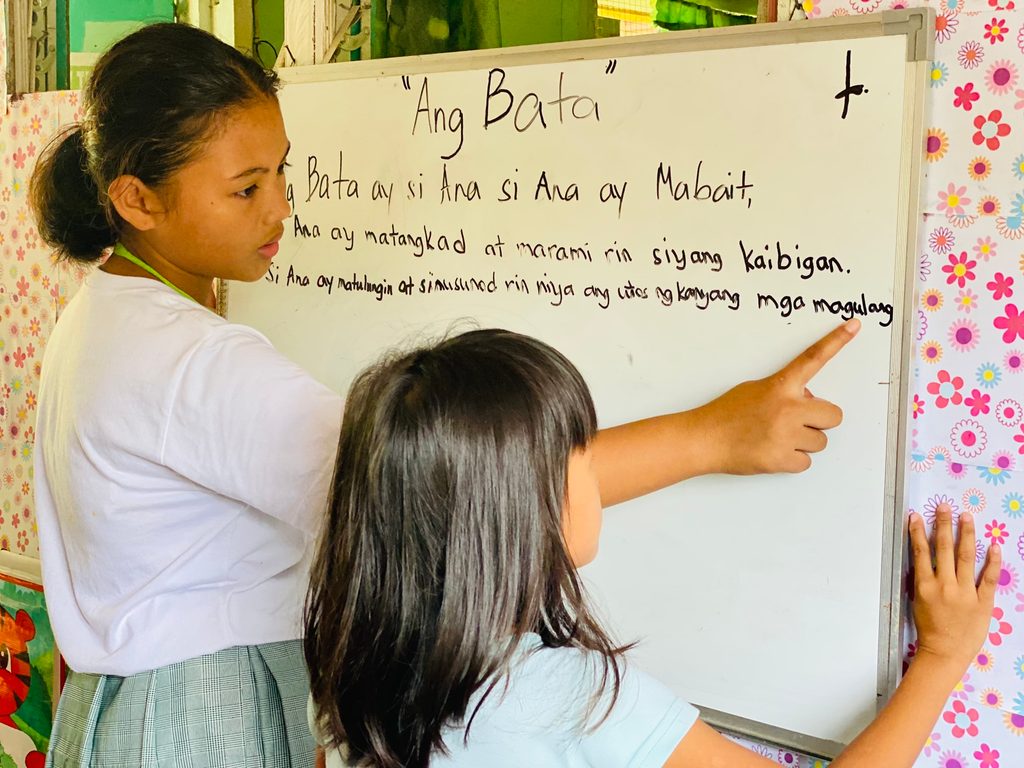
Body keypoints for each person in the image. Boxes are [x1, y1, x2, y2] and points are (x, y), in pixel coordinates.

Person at [31, 21, 857, 767]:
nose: (281, 207)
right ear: (135, 199)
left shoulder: (107, 315)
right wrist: (714, 436)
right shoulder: (188, 363)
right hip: (200, 720)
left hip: (138, 711)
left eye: (283, 171)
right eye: (244, 189)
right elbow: (448, 491)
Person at [304, 329, 999, 768]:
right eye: (581, 452)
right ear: (526, 508)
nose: (597, 469)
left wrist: (714, 435)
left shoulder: (358, 662)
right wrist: (941, 657)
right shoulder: (564, 696)